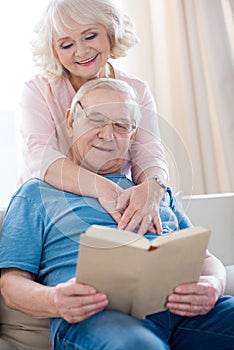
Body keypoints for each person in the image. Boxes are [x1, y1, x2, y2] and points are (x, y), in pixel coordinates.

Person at [1, 79, 234, 350]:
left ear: (133, 135)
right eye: (95, 120)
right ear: (71, 120)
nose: (107, 135)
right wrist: (55, 299)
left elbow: (206, 258)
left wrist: (214, 284)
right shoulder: (37, 193)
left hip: (183, 312)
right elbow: (11, 284)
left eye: (121, 126)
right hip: (98, 319)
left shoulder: (154, 192)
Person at [18, 0, 169, 236]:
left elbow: (149, 153)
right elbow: (40, 157)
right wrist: (103, 189)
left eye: (90, 36)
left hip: (112, 210)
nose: (81, 51)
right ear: (54, 51)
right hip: (53, 212)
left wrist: (153, 187)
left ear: (110, 32)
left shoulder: (136, 90)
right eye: (66, 44)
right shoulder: (39, 91)